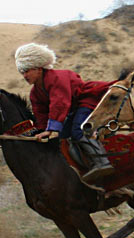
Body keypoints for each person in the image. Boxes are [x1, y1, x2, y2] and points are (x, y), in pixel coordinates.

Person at [14, 43, 115, 182]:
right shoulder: (35, 93)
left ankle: (102, 163)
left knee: (78, 130)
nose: (24, 75)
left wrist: (50, 130)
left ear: (38, 69)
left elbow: (59, 103)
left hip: (86, 101)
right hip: (73, 109)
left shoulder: (57, 78)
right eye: (22, 72)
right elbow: (41, 113)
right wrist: (41, 130)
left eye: (27, 71)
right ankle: (82, 167)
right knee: (64, 137)